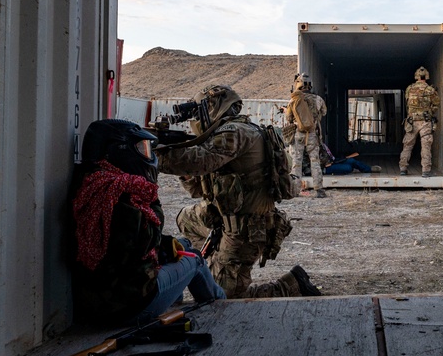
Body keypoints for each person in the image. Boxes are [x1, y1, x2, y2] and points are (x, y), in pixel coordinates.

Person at [158, 84, 322, 298]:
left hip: (246, 228)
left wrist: (154, 155)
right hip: (225, 217)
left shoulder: (236, 132)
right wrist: (187, 175)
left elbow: (200, 161)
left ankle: (291, 285)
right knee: (186, 219)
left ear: (215, 107)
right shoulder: (227, 133)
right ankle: (217, 261)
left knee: (223, 297)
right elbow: (200, 189)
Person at [70, 119, 226, 326]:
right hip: (130, 306)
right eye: (140, 149)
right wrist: (153, 199)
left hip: (98, 300)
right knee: (195, 259)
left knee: (184, 244)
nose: (146, 156)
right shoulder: (123, 194)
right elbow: (147, 242)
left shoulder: (93, 185)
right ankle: (223, 310)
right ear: (119, 152)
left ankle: (175, 301)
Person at [286, 72, 329, 198]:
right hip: (312, 134)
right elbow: (324, 112)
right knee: (315, 161)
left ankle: (295, 190)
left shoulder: (293, 100)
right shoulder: (318, 99)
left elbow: (289, 118)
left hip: (298, 134)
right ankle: (319, 190)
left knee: (296, 162)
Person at [399, 66, 440, 177]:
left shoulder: (409, 88)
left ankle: (403, 168)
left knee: (407, 145)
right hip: (425, 121)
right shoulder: (430, 90)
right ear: (426, 76)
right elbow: (436, 104)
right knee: (426, 146)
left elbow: (407, 104)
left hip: (412, 121)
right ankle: (425, 171)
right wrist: (429, 112)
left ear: (416, 76)